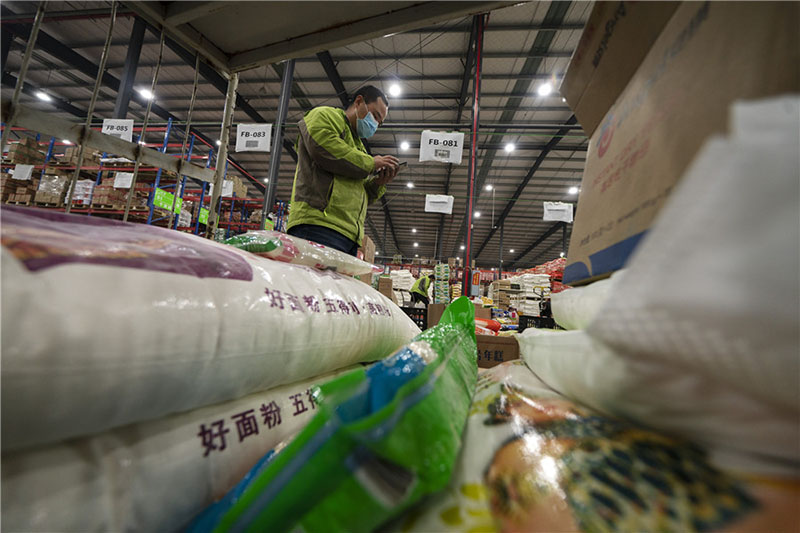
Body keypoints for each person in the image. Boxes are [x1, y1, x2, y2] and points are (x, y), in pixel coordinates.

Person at [286, 85, 401, 256]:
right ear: (359, 101)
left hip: (348, 235)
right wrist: (371, 163)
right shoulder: (325, 115)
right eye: (375, 116)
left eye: (379, 122)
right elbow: (322, 147)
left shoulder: (360, 148)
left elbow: (359, 194)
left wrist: (377, 183)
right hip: (318, 224)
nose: (375, 124)